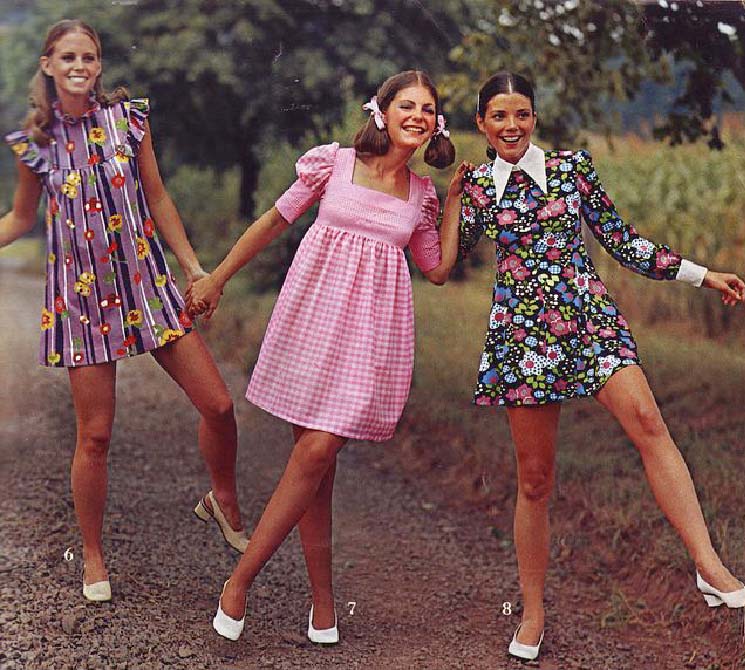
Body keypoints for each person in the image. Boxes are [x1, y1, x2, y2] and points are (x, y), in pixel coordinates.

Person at [452, 72, 745, 661]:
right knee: (534, 480)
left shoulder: (572, 169)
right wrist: (451, 198)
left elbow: (623, 240)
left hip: (590, 322)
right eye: (500, 117)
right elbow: (441, 260)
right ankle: (533, 611)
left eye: (523, 114)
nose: (512, 126)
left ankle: (708, 564)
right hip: (521, 337)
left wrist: (701, 273)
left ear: (534, 118)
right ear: (481, 125)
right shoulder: (477, 186)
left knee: (649, 424)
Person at [187, 69, 466, 643]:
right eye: (406, 105)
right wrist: (217, 278)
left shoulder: (422, 195)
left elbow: (436, 271)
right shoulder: (333, 164)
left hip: (372, 340)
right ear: (381, 112)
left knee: (316, 453)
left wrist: (456, 202)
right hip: (311, 320)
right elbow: (273, 221)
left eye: (428, 108)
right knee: (315, 468)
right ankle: (324, 608)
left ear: (436, 122)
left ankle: (240, 582)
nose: (418, 115)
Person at [1, 20, 248, 603]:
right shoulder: (33, 143)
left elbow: (156, 194)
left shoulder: (127, 121)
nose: (80, 64)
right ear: (47, 65)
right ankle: (91, 554)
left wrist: (194, 269)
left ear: (100, 63)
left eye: (89, 55)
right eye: (67, 56)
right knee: (96, 436)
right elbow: (20, 218)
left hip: (147, 285)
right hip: (81, 302)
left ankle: (223, 496)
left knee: (218, 403)